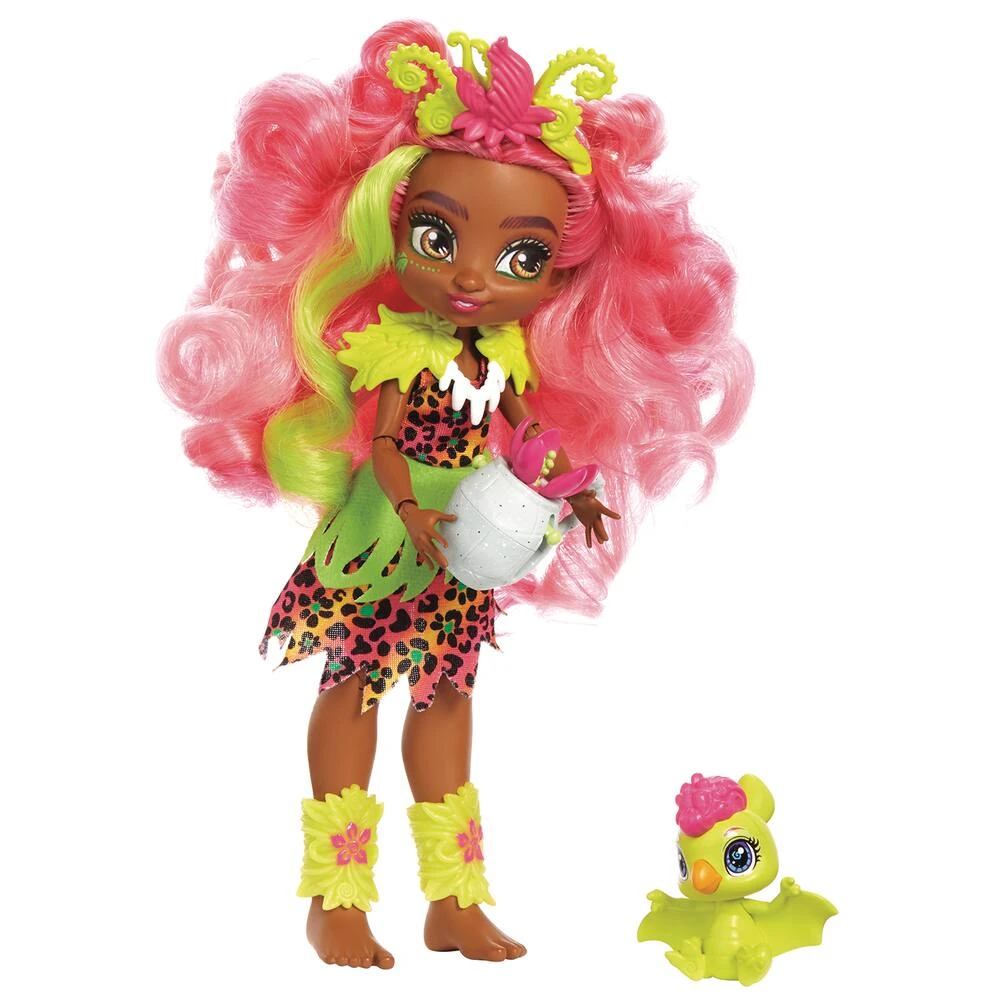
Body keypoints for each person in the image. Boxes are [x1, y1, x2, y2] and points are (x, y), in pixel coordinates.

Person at [158, 21, 752, 969]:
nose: (472, 276)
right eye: (437, 237)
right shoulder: (399, 347)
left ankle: (454, 898)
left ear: (563, 271)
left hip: (461, 546)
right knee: (353, 687)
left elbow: (525, 437)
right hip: (382, 543)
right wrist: (405, 512)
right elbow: (387, 446)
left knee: (446, 697)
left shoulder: (505, 357)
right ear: (388, 228)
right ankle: (335, 900)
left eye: (521, 258)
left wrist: (572, 496)